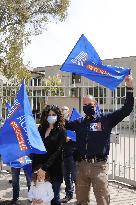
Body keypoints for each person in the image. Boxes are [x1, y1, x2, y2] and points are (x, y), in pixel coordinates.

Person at [64, 75, 134, 205]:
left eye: (89, 104)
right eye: (84, 105)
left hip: (98, 166)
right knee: (81, 201)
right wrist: (55, 115)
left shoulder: (105, 119)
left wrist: (129, 88)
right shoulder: (79, 122)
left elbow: (126, 109)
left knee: (102, 200)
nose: (86, 107)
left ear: (95, 105)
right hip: (81, 166)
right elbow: (65, 125)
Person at [32, 105, 66, 205]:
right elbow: (37, 147)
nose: (51, 116)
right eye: (49, 114)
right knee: (41, 199)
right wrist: (37, 168)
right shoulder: (41, 129)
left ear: (58, 116)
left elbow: (57, 152)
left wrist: (45, 168)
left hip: (54, 169)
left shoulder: (61, 131)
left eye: (54, 115)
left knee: (54, 199)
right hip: (40, 169)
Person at [61, 106, 76, 203]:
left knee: (75, 176)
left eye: (64, 110)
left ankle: (80, 195)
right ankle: (69, 194)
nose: (63, 112)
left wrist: (71, 139)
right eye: (61, 110)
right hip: (63, 154)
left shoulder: (74, 123)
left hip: (72, 153)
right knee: (66, 176)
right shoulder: (60, 124)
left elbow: (80, 136)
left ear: (68, 112)